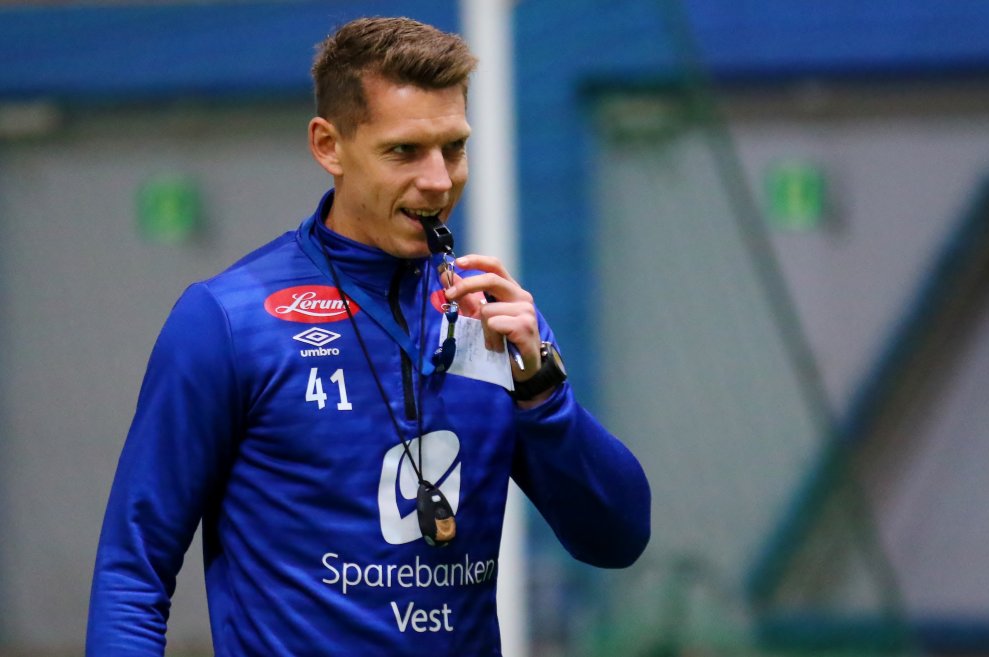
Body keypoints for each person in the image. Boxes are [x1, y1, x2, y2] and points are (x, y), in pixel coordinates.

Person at [86, 16, 650, 657]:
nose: (439, 180)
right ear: (329, 146)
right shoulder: (227, 321)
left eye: (454, 148)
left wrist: (543, 394)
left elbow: (618, 539)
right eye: (404, 151)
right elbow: (133, 571)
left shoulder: (494, 322)